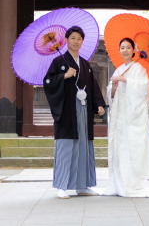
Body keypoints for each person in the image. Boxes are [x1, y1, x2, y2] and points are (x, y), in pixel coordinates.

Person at [43, 25, 106, 199]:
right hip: (66, 111)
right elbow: (47, 81)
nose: (76, 41)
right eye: (72, 38)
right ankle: (61, 186)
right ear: (66, 40)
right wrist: (63, 76)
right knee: (66, 146)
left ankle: (83, 185)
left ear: (82, 41)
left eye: (79, 38)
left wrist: (99, 104)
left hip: (84, 110)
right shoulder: (58, 62)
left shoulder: (86, 64)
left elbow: (93, 87)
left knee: (84, 146)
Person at [103, 37, 149, 198]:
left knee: (133, 147)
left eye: (128, 47)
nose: (125, 50)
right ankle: (120, 181)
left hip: (133, 117)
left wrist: (126, 80)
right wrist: (114, 88)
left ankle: (133, 182)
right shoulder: (118, 69)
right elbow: (111, 95)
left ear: (134, 50)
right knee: (120, 146)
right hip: (120, 116)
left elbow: (144, 88)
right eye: (122, 47)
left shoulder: (138, 68)